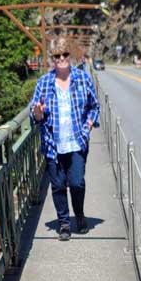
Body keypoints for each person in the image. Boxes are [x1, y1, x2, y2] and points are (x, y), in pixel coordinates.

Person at [30, 36, 100, 240]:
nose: (61, 59)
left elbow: (94, 107)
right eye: (57, 56)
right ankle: (64, 224)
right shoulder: (44, 82)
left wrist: (88, 126)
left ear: (70, 56)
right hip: (53, 145)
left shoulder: (82, 78)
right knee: (58, 186)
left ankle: (79, 215)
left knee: (77, 182)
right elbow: (34, 114)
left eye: (64, 55)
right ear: (52, 58)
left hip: (77, 141)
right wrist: (38, 113)